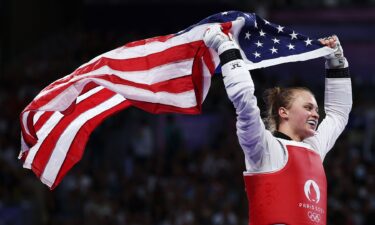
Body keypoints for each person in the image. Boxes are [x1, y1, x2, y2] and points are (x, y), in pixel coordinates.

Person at [203, 25, 352, 225]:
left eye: (316, 109)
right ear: (284, 112)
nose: (316, 114)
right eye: (308, 107)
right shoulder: (264, 149)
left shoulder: (314, 149)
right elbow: (244, 102)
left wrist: (337, 63)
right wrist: (226, 48)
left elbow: (338, 113)